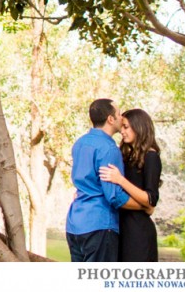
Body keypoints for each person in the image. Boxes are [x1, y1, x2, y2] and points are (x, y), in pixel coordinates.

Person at [65, 98, 151, 261]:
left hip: (74, 224)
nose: (121, 118)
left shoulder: (80, 143)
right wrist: (144, 206)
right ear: (111, 119)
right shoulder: (109, 149)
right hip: (99, 226)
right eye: (118, 114)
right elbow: (114, 196)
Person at [99, 108, 162, 262]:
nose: (122, 131)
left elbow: (151, 200)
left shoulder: (151, 156)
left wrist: (120, 180)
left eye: (126, 127)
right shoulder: (125, 155)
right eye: (122, 127)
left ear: (139, 127)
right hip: (119, 228)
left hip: (138, 233)